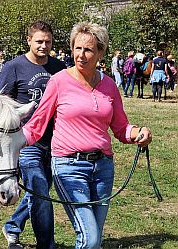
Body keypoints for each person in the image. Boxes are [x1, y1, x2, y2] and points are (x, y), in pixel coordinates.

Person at [22, 22, 152, 249]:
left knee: (94, 238)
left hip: (103, 169)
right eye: (77, 48)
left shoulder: (109, 86)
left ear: (101, 52)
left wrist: (139, 133)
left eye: (88, 50)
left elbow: (121, 128)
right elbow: (37, 124)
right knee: (90, 239)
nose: (81, 55)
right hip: (68, 167)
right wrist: (9, 145)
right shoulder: (59, 81)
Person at [0, 20, 66, 249]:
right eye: (39, 41)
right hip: (26, 141)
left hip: (55, 140)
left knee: (40, 192)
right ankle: (46, 245)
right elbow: (2, 106)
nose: (43, 46)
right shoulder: (13, 67)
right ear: (28, 40)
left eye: (47, 41)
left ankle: (13, 226)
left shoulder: (59, 68)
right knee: (39, 190)